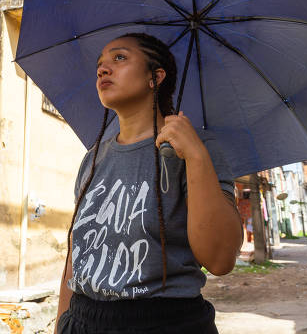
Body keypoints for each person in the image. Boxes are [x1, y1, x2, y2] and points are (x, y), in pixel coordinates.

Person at [55, 32, 243, 334]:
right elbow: (75, 258)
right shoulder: (92, 160)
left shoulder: (196, 148)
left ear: (155, 77)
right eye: (100, 64)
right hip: (82, 320)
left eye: (119, 58)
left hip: (165, 322)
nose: (103, 69)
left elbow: (220, 259)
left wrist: (195, 156)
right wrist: (61, 325)